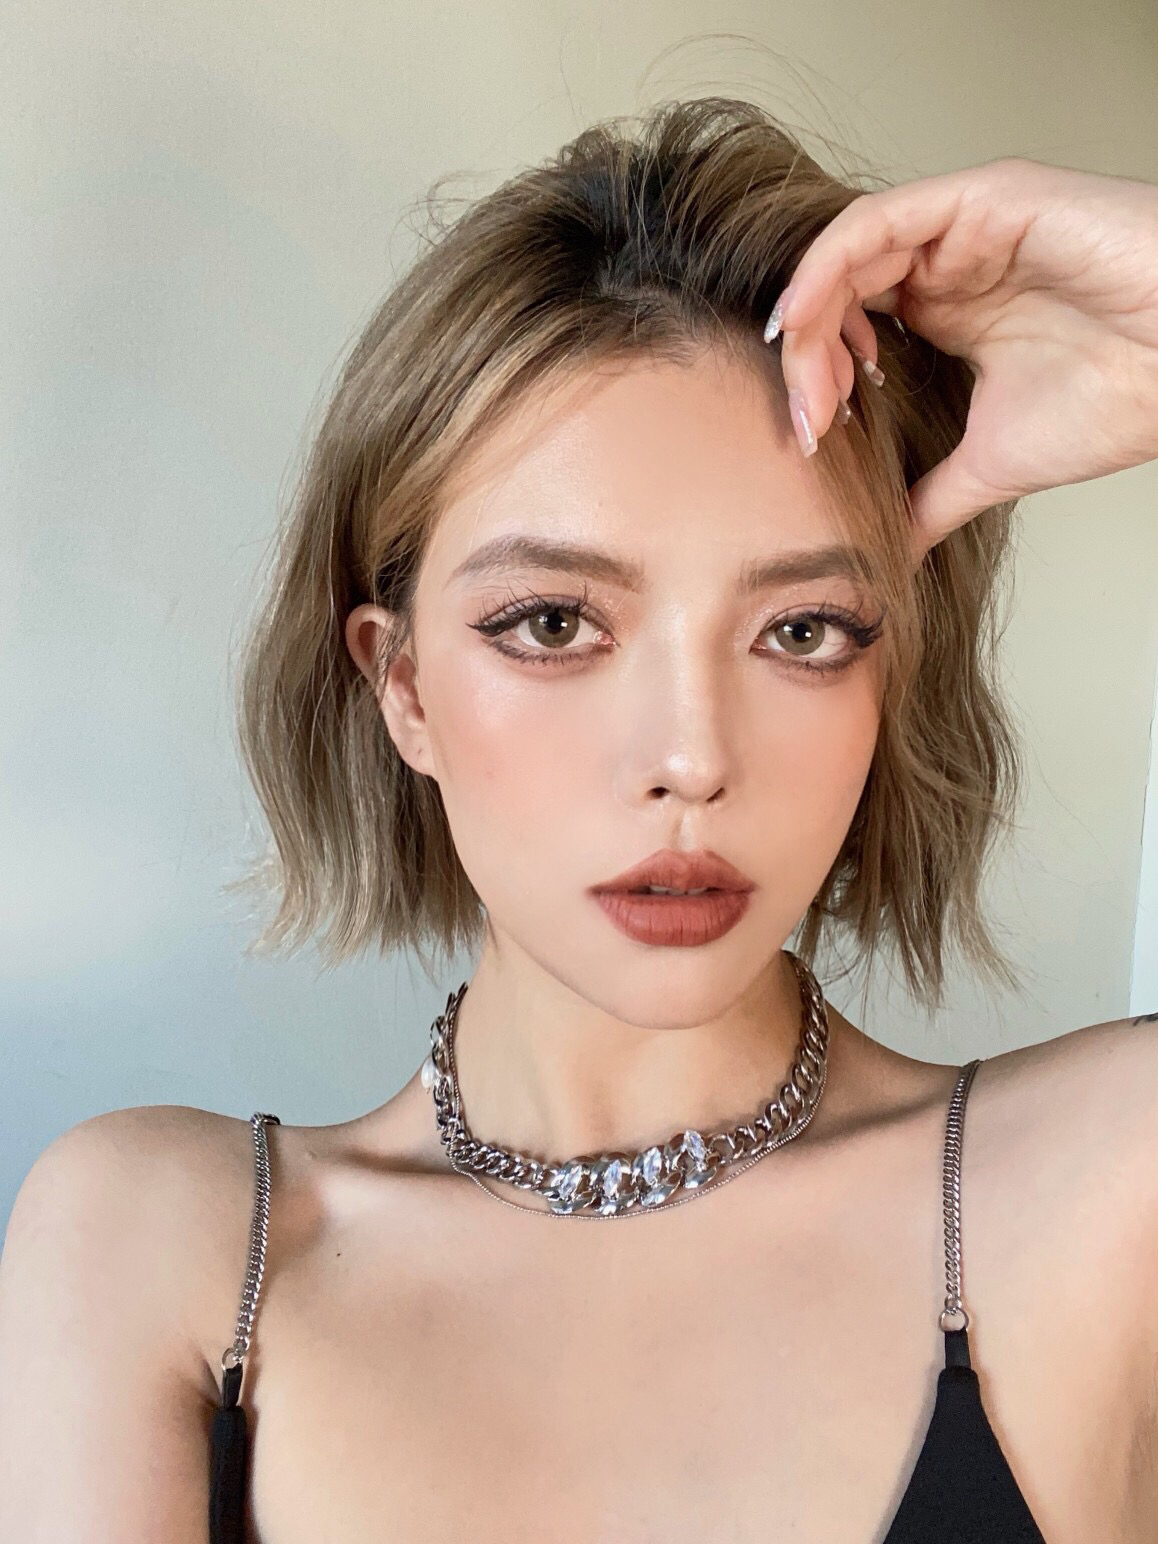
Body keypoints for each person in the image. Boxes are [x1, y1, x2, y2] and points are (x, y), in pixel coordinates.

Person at [1, 96, 1156, 1542]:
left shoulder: (1106, 1184)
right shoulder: (167, 1245)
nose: (690, 758)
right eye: (553, 622)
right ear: (401, 684)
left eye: (802, 630)